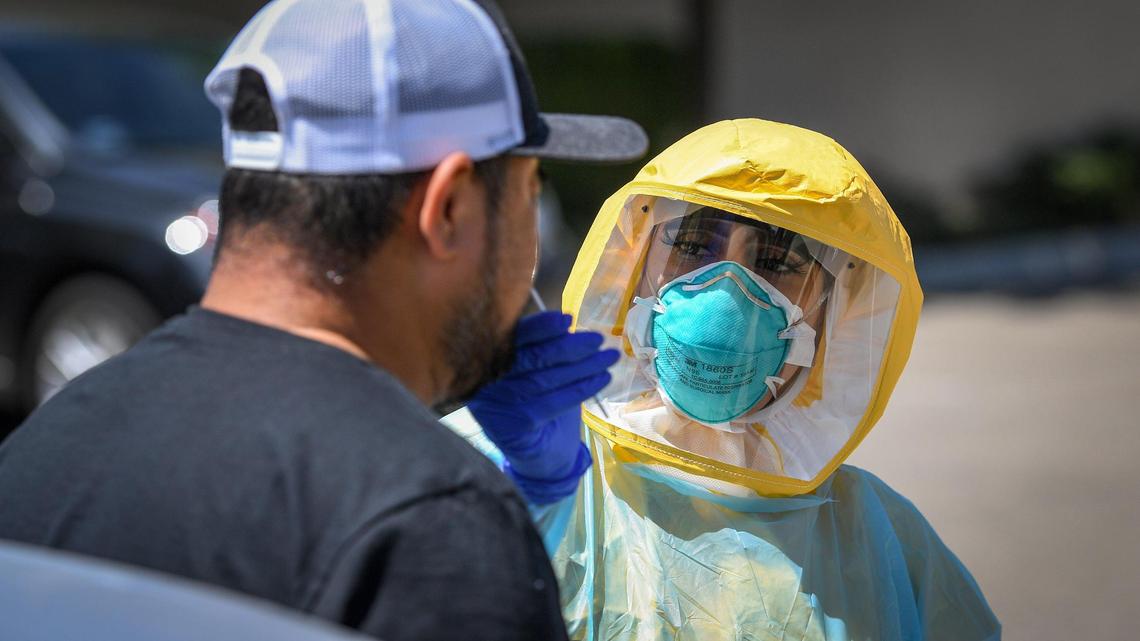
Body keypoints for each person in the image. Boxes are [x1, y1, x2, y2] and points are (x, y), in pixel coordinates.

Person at [0, 1, 645, 640]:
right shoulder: (430, 523)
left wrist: (540, 494)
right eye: (530, 194)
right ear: (447, 208)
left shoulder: (40, 450)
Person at [447, 119, 1001, 640]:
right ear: (636, 258)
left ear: (833, 309)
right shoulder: (508, 461)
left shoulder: (885, 545)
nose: (726, 292)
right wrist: (525, 497)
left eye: (779, 260)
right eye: (691, 246)